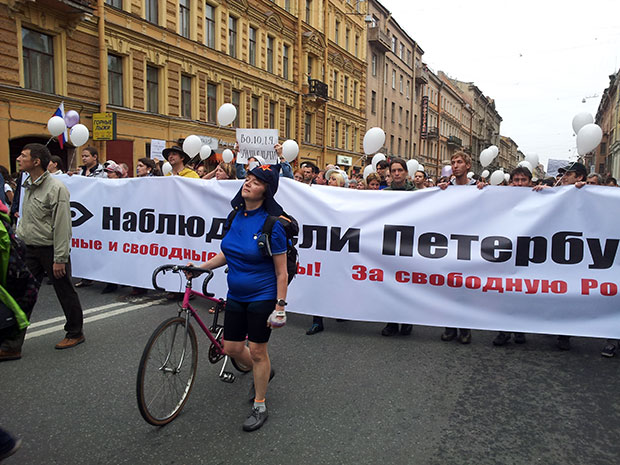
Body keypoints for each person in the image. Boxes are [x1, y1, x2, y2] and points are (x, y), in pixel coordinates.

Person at [189, 163, 288, 432]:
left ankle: (260, 404)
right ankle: (264, 370)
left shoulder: (272, 225)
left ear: (266, 191)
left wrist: (280, 306)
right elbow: (227, 253)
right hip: (235, 294)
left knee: (257, 351)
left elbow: (281, 272)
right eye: (248, 179)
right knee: (231, 348)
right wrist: (201, 268)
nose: (248, 183)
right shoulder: (235, 216)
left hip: (262, 295)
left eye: (256, 182)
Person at [11, 143, 85, 351]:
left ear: (36, 162)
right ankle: (12, 344)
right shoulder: (27, 183)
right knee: (23, 294)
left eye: (23, 156)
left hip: (50, 249)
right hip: (29, 249)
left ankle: (75, 332)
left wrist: (60, 258)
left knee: (65, 291)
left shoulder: (56, 188)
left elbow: (62, 226)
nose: (18, 159)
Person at [437, 151, 476, 344]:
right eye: (453, 162)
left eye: (459, 162)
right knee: (449, 287)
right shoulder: (445, 188)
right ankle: (450, 327)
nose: (455, 165)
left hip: (469, 244)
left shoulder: (477, 188)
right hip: (448, 244)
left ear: (468, 166)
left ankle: (465, 328)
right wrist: (437, 192)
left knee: (465, 289)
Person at [491, 167, 532, 346]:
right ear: (511, 182)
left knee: (521, 294)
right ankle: (504, 331)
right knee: (504, 293)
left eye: (523, 180)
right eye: (516, 180)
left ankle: (519, 329)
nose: (519, 184)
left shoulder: (539, 197)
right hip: (506, 252)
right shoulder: (502, 198)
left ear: (530, 182)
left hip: (527, 252)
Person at [381, 159, 415, 337]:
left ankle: (407, 320)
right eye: (393, 170)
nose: (396, 173)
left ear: (406, 172)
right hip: (389, 243)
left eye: (400, 170)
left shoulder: (417, 194)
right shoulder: (384, 194)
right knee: (390, 284)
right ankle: (391, 322)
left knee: (407, 284)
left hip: (409, 244)